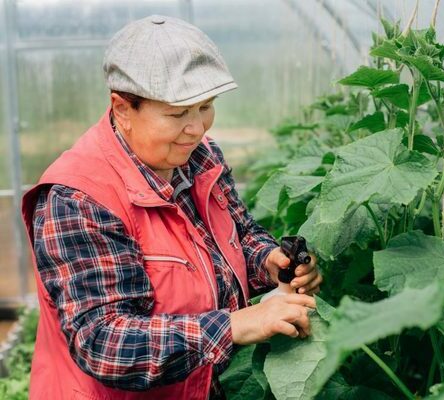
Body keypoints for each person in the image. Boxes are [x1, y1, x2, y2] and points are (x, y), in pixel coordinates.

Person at [20, 15, 322, 400]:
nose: (197, 128)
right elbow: (104, 341)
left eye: (206, 107)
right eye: (178, 114)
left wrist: (268, 260)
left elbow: (238, 232)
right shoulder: (77, 198)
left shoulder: (200, 156)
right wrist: (233, 326)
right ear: (123, 108)